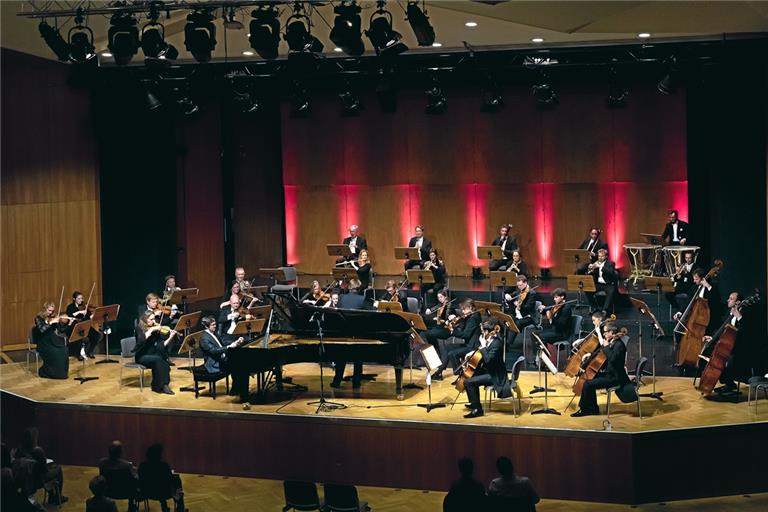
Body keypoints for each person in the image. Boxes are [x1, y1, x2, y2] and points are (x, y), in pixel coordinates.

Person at [571, 323, 631, 417]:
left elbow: (612, 359)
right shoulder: (612, 342)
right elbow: (601, 352)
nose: (604, 334)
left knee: (588, 384)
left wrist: (606, 347)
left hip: (615, 377)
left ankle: (585, 409)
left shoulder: (619, 345)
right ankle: (592, 408)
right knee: (588, 380)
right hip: (610, 373)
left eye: (605, 332)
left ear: (611, 332)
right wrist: (590, 355)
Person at [462, 318, 513, 418]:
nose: (481, 333)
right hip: (491, 370)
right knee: (471, 375)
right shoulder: (491, 340)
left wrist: (484, 346)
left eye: (482, 331)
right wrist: (472, 354)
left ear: (487, 331)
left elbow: (488, 360)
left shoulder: (497, 343)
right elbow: (485, 356)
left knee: (468, 382)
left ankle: (477, 410)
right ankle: (474, 403)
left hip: (496, 376)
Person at [431, 299, 481, 380]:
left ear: (470, 308)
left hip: (472, 347)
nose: (463, 311)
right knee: (448, 346)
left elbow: (466, 335)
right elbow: (463, 328)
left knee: (452, 353)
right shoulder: (471, 316)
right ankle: (440, 371)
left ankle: (460, 374)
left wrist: (453, 330)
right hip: (468, 344)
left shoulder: (473, 318)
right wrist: (455, 322)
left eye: (464, 309)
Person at [200, 316, 245, 395]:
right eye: (213, 325)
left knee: (240, 362)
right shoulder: (204, 338)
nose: (215, 326)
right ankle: (235, 390)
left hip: (221, 359)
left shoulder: (215, 334)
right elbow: (213, 351)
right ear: (206, 326)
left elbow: (223, 343)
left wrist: (236, 342)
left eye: (215, 324)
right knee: (236, 366)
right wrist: (229, 347)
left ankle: (238, 388)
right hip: (214, 363)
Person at [673, 267, 722, 336]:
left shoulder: (712, 287)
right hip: (695, 316)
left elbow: (716, 300)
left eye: (696, 279)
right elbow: (688, 302)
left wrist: (708, 286)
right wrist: (680, 312)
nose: (694, 281)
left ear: (703, 279)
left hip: (708, 317)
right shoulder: (694, 288)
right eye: (694, 279)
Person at [135, 311, 175, 394]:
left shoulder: (155, 330)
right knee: (158, 360)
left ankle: (162, 385)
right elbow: (141, 340)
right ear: (145, 319)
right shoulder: (139, 328)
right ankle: (160, 386)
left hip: (153, 354)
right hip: (142, 356)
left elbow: (161, 345)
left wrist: (170, 337)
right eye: (151, 319)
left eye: (154, 319)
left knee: (164, 359)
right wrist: (152, 329)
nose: (154, 321)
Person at [138, 444, 185, 512]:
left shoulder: (142, 465)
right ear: (159, 455)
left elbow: (140, 478)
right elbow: (170, 479)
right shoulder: (164, 466)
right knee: (177, 481)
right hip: (165, 493)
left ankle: (164, 506)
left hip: (147, 493)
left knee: (157, 485)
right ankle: (180, 508)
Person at [504, 275, 537, 361]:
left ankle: (508, 343)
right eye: (518, 285)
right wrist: (508, 297)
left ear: (525, 283)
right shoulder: (520, 291)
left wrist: (519, 305)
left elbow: (528, 307)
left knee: (517, 323)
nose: (519, 287)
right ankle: (504, 341)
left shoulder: (532, 293)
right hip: (519, 315)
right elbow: (512, 295)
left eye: (520, 285)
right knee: (507, 320)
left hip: (528, 316)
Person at [98, 441, 139, 512]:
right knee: (133, 484)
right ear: (120, 452)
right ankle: (131, 506)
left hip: (108, 491)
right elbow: (135, 479)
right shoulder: (127, 465)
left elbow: (102, 478)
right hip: (126, 493)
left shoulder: (102, 463)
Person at [33, 302, 70, 379]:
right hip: (43, 341)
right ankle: (46, 371)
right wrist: (51, 322)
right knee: (56, 352)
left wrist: (66, 323)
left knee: (64, 349)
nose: (51, 313)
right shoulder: (38, 318)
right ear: (44, 310)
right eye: (49, 310)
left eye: (52, 311)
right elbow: (42, 329)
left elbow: (61, 330)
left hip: (52, 339)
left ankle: (62, 373)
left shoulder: (54, 317)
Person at [424, 289, 453, 377]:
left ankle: (437, 351)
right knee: (427, 332)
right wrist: (429, 309)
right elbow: (436, 308)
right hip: (440, 327)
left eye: (441, 297)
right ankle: (436, 350)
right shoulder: (441, 304)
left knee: (429, 334)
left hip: (446, 329)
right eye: (438, 297)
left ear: (445, 297)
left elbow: (448, 318)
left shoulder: (449, 305)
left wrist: (439, 319)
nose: (440, 299)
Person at [536, 288, 573, 356]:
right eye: (554, 297)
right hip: (555, 330)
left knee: (540, 337)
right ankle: (543, 356)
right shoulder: (557, 306)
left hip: (562, 333)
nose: (554, 299)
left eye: (556, 297)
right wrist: (542, 309)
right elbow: (546, 310)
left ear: (562, 297)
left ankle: (545, 357)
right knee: (535, 334)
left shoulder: (566, 308)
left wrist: (551, 318)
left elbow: (561, 324)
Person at [585, 248, 618, 314]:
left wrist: (600, 267)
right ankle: (594, 307)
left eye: (602, 256)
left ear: (606, 256)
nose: (600, 258)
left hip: (608, 284)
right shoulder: (595, 263)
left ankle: (604, 310)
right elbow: (590, 273)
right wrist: (590, 269)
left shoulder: (611, 263)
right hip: (598, 284)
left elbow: (611, 272)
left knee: (610, 292)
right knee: (587, 289)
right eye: (599, 256)